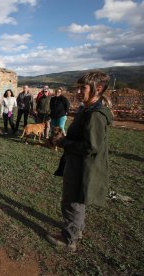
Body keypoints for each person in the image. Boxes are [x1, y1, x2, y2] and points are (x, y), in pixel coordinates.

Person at [47, 71, 113, 252]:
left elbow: (91, 146)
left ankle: (69, 240)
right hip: (77, 162)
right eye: (77, 87)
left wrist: (63, 142)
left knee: (72, 201)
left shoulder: (95, 115)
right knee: (75, 200)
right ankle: (76, 230)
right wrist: (65, 138)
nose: (77, 91)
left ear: (97, 89)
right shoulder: (87, 109)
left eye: (82, 87)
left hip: (83, 166)